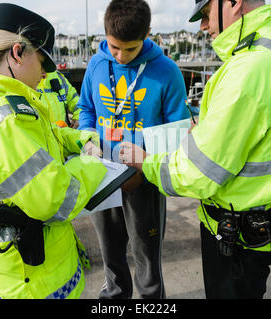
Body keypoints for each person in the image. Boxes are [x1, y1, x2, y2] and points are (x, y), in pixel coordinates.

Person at [119, 0, 271, 299]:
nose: (204, 26)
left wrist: (147, 163)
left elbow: (199, 173)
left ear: (234, 3)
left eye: (206, 15)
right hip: (261, 221)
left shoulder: (251, 67)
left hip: (237, 236)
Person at [0, 3, 107, 299]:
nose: (47, 73)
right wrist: (95, 162)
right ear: (18, 53)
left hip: (39, 263)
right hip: (33, 278)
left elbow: (48, 136)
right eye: (43, 62)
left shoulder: (6, 102)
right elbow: (56, 198)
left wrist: (79, 139)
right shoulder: (2, 119)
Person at [78, 0, 189, 299]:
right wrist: (87, 139)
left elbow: (178, 132)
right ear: (105, 34)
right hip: (102, 176)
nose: (121, 56)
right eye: (115, 47)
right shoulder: (96, 64)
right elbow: (86, 108)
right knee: (110, 254)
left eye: (130, 48)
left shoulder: (167, 72)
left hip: (145, 181)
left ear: (148, 34)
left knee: (147, 258)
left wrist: (148, 163)